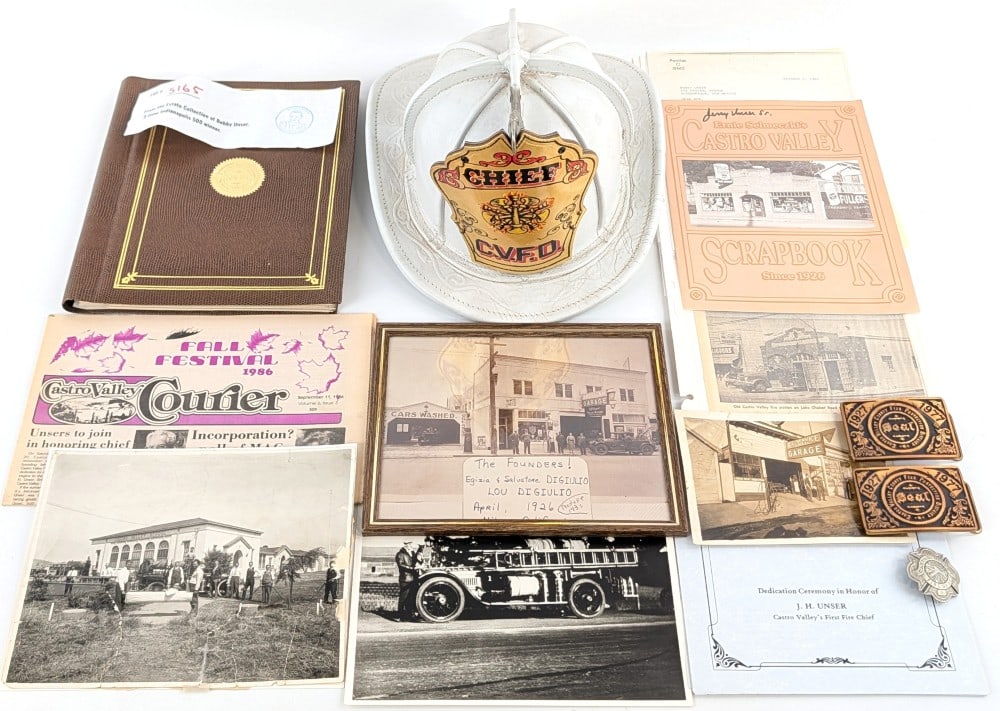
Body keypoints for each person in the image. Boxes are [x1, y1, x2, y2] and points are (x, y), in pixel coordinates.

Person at [395, 541, 419, 621]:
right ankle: (399, 616)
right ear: (406, 545)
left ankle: (409, 616)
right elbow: (401, 565)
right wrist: (412, 568)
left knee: (411, 598)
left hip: (412, 579)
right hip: (405, 579)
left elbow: (416, 562)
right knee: (403, 597)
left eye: (411, 544)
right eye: (410, 544)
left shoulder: (412, 553)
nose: (411, 545)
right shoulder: (400, 554)